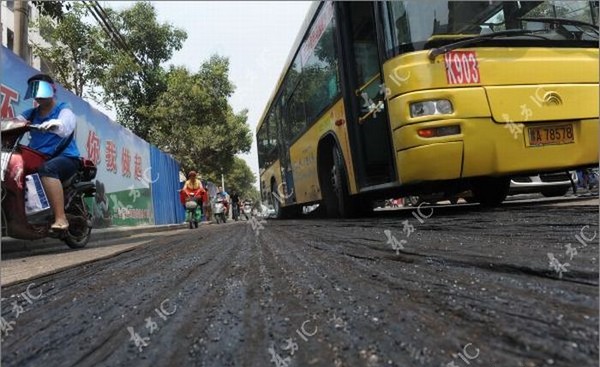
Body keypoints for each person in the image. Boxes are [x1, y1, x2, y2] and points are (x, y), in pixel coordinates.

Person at [15, 74, 81, 231]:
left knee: (48, 169)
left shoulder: (63, 109)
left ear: (52, 90)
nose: (38, 95)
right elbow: (14, 122)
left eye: (41, 89)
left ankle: (61, 218)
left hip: (66, 158)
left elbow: (66, 125)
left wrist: (55, 123)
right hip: (38, 159)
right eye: (34, 90)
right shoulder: (30, 114)